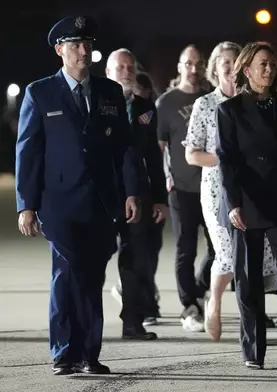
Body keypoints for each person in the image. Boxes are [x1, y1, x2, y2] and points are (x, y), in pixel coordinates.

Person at [15, 15, 140, 375]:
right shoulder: (40, 92)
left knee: (91, 275)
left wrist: (132, 192)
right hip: (59, 204)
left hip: (100, 203)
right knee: (68, 272)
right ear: (60, 50)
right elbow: (28, 152)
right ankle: (65, 351)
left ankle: (89, 353)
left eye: (87, 44)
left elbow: (125, 149)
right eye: (74, 45)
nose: (83, 51)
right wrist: (27, 205)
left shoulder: (109, 93)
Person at [215, 42, 277, 369]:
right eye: (262, 65)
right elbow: (227, 162)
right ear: (247, 70)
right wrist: (233, 203)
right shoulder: (229, 110)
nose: (269, 70)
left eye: (272, 64)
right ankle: (253, 351)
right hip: (246, 203)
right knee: (248, 280)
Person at [184, 41, 277, 341]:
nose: (228, 64)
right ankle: (215, 301)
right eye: (223, 61)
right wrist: (226, 160)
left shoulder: (255, 102)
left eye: (234, 60)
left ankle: (252, 316)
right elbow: (192, 154)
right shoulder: (205, 105)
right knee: (227, 251)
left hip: (254, 187)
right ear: (214, 69)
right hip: (217, 190)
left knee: (259, 252)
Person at [105, 48, 168, 337]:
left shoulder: (146, 107)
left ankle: (133, 319)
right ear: (108, 73)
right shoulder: (97, 103)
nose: (126, 72)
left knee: (137, 257)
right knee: (97, 256)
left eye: (130, 67)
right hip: (105, 191)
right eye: (120, 67)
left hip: (140, 193)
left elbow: (153, 158)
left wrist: (160, 199)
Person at [157, 45, 215, 332]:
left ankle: (200, 288)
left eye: (198, 63)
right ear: (180, 66)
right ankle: (189, 307)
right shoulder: (166, 103)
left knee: (219, 249)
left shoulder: (211, 98)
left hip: (212, 187)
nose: (193, 69)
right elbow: (160, 146)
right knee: (185, 250)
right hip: (180, 188)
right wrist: (164, 179)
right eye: (188, 63)